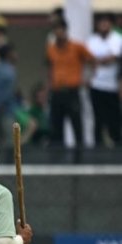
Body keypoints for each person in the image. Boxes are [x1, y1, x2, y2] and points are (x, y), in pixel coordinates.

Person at [46, 20, 94, 148]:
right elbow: (49, 67)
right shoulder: (51, 49)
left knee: (76, 123)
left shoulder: (76, 47)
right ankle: (58, 156)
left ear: (65, 30)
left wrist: (88, 79)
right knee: (56, 125)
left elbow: (92, 60)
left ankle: (80, 156)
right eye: (56, 30)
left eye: (61, 29)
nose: (59, 32)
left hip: (72, 91)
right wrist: (49, 85)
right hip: (57, 91)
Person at [86, 13, 122, 147]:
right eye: (101, 23)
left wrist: (100, 60)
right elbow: (89, 60)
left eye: (106, 22)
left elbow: (115, 57)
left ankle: (118, 146)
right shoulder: (92, 41)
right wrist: (105, 60)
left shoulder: (118, 39)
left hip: (113, 86)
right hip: (96, 85)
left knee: (114, 118)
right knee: (98, 118)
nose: (104, 25)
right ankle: (98, 146)